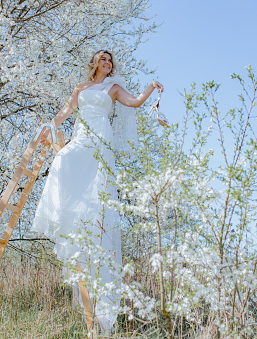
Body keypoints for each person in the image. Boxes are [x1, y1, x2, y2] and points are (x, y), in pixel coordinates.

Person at [31, 50, 163, 332]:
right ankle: (68, 216)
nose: (107, 63)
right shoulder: (80, 88)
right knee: (62, 160)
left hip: (101, 139)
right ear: (94, 63)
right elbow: (64, 113)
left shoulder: (113, 88)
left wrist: (151, 86)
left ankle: (102, 305)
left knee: (97, 188)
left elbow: (135, 102)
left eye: (110, 60)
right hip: (82, 135)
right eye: (103, 59)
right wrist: (47, 128)